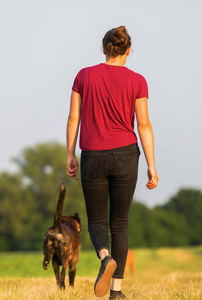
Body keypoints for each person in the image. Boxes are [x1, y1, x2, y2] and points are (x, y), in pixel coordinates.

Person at [66, 26, 158, 299]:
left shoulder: (83, 76)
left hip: (92, 154)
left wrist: (70, 154)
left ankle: (105, 258)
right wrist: (152, 164)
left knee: (96, 220)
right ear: (128, 51)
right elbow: (144, 124)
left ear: (104, 49)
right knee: (120, 222)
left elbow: (74, 118)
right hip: (126, 154)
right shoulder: (138, 80)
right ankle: (116, 292)